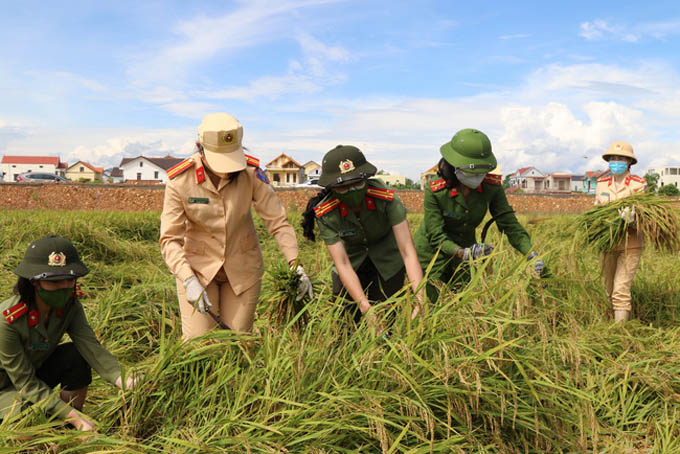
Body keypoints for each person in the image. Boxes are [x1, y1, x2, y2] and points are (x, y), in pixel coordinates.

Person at [160, 112, 312, 339]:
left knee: (238, 341)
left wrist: (295, 264)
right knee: (199, 342)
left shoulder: (250, 173)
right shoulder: (180, 180)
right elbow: (169, 239)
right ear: (199, 148)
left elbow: (278, 222)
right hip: (198, 270)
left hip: (243, 267)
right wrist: (188, 279)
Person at [0, 236, 137, 431]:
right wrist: (75, 417)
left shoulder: (70, 306)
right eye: (55, 281)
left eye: (70, 280)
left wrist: (124, 380)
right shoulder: (8, 320)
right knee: (24, 422)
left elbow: (90, 346)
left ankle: (67, 428)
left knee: (76, 356)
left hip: (34, 373)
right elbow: (25, 383)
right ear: (35, 282)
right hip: (7, 386)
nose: (63, 287)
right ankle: (68, 421)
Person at [414, 128, 546, 302]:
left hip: (468, 252)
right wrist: (463, 253)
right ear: (454, 167)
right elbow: (436, 235)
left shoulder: (492, 188)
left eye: (481, 172)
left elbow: (509, 225)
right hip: (432, 254)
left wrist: (531, 255)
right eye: (472, 172)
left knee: (462, 303)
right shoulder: (436, 190)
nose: (477, 178)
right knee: (433, 304)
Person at [301, 145, 424, 326]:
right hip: (352, 260)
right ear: (332, 187)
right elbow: (342, 263)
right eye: (343, 187)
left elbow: (408, 252)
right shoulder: (326, 213)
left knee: (387, 319)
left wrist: (420, 298)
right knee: (346, 322)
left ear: (366, 179)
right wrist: (365, 306)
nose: (352, 191)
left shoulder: (387, 199)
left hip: (387, 260)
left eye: (357, 184)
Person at [594, 141, 646, 322]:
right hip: (607, 242)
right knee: (609, 288)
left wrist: (633, 218)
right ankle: (611, 325)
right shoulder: (601, 184)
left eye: (621, 158)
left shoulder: (638, 184)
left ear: (629, 162)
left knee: (620, 289)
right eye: (613, 158)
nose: (616, 161)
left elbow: (646, 215)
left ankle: (619, 333)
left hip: (630, 244)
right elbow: (597, 208)